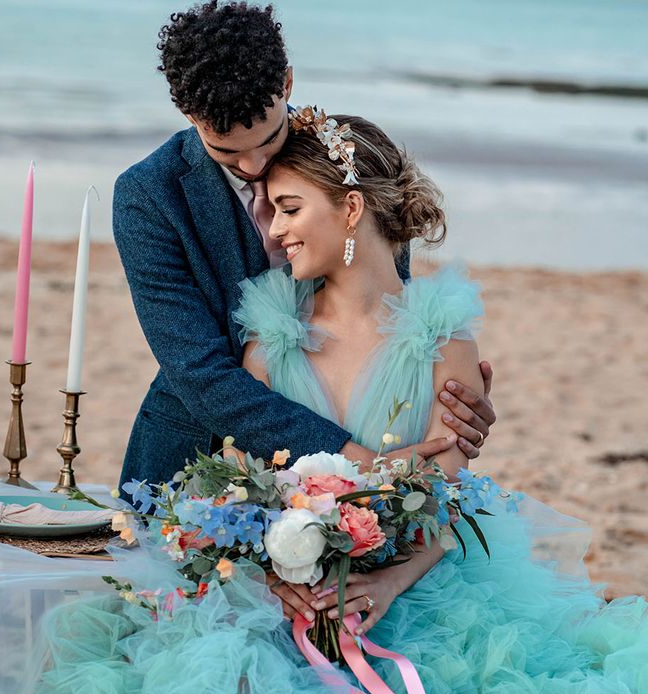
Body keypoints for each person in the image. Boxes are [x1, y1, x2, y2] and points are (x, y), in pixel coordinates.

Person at [30, 111, 647, 694]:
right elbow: (244, 484)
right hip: (278, 589)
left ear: (352, 208)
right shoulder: (271, 341)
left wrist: (388, 581)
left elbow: (447, 490)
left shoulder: (441, 336)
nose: (274, 230)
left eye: (290, 210)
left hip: (417, 583)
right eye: (272, 212)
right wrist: (276, 576)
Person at [112, 0, 495, 489]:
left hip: (367, 443)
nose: (253, 167)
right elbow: (198, 371)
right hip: (194, 459)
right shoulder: (148, 195)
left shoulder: (341, 153)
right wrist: (348, 460)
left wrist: (446, 393)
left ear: (287, 84)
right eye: (227, 151)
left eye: (267, 141)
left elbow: (381, 298)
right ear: (188, 113)